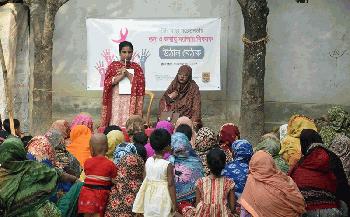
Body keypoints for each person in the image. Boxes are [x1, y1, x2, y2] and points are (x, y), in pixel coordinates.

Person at [0, 137, 77, 216]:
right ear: (20, 151)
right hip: (42, 213)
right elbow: (58, 174)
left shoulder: (2, 176)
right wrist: (76, 180)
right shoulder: (32, 167)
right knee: (77, 188)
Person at [290, 129, 350, 217]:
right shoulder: (331, 157)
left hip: (304, 209)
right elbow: (341, 186)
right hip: (331, 209)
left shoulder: (302, 162)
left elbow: (291, 183)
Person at [238, 151, 306, 217]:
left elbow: (245, 210)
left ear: (253, 163)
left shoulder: (251, 181)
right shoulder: (286, 179)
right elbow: (297, 200)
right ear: (272, 163)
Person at [101, 41, 145, 128]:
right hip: (116, 99)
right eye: (124, 52)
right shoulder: (113, 66)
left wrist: (128, 74)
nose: (127, 55)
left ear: (132, 53)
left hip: (131, 100)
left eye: (129, 52)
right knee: (116, 120)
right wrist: (121, 75)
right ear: (119, 53)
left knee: (128, 122)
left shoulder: (136, 67)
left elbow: (141, 83)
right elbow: (107, 82)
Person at [133, 128, 177, 217]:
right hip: (162, 198)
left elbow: (145, 179)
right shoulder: (167, 165)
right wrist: (174, 203)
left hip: (149, 197)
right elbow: (171, 185)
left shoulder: (148, 161)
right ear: (166, 148)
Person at [182, 148, 236, 217]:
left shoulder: (200, 182)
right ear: (224, 164)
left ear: (207, 164)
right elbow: (232, 208)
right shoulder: (229, 183)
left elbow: (198, 205)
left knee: (186, 209)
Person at [78, 134, 117, 217]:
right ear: (107, 148)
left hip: (86, 195)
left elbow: (88, 174)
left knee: (87, 214)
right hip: (101, 195)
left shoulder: (87, 162)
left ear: (91, 149)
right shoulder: (111, 164)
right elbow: (114, 180)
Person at [158, 65, 201, 130]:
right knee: (163, 126)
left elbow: (196, 105)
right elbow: (163, 100)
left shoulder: (193, 87)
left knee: (185, 128)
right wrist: (170, 97)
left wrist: (194, 120)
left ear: (189, 77)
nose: (182, 77)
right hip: (172, 113)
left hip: (187, 114)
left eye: (185, 75)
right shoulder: (174, 84)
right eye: (180, 74)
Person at [169, 132, 204, 207]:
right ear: (187, 145)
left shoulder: (168, 163)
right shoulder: (197, 161)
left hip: (174, 205)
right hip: (195, 203)